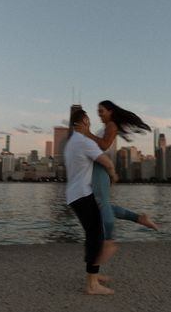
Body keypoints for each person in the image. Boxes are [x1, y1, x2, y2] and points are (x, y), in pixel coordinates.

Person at [86, 100, 159, 242]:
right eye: (98, 111)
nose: (99, 114)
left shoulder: (111, 126)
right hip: (94, 168)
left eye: (101, 111)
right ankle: (139, 218)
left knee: (101, 205)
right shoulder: (107, 126)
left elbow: (104, 145)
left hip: (98, 168)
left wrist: (86, 133)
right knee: (99, 207)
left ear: (110, 111)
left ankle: (108, 241)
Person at [65, 109, 118, 295]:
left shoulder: (71, 143)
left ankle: (94, 274)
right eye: (89, 121)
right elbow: (107, 162)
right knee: (96, 234)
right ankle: (92, 284)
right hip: (82, 194)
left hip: (74, 194)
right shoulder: (84, 142)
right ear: (85, 121)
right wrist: (113, 175)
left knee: (92, 234)